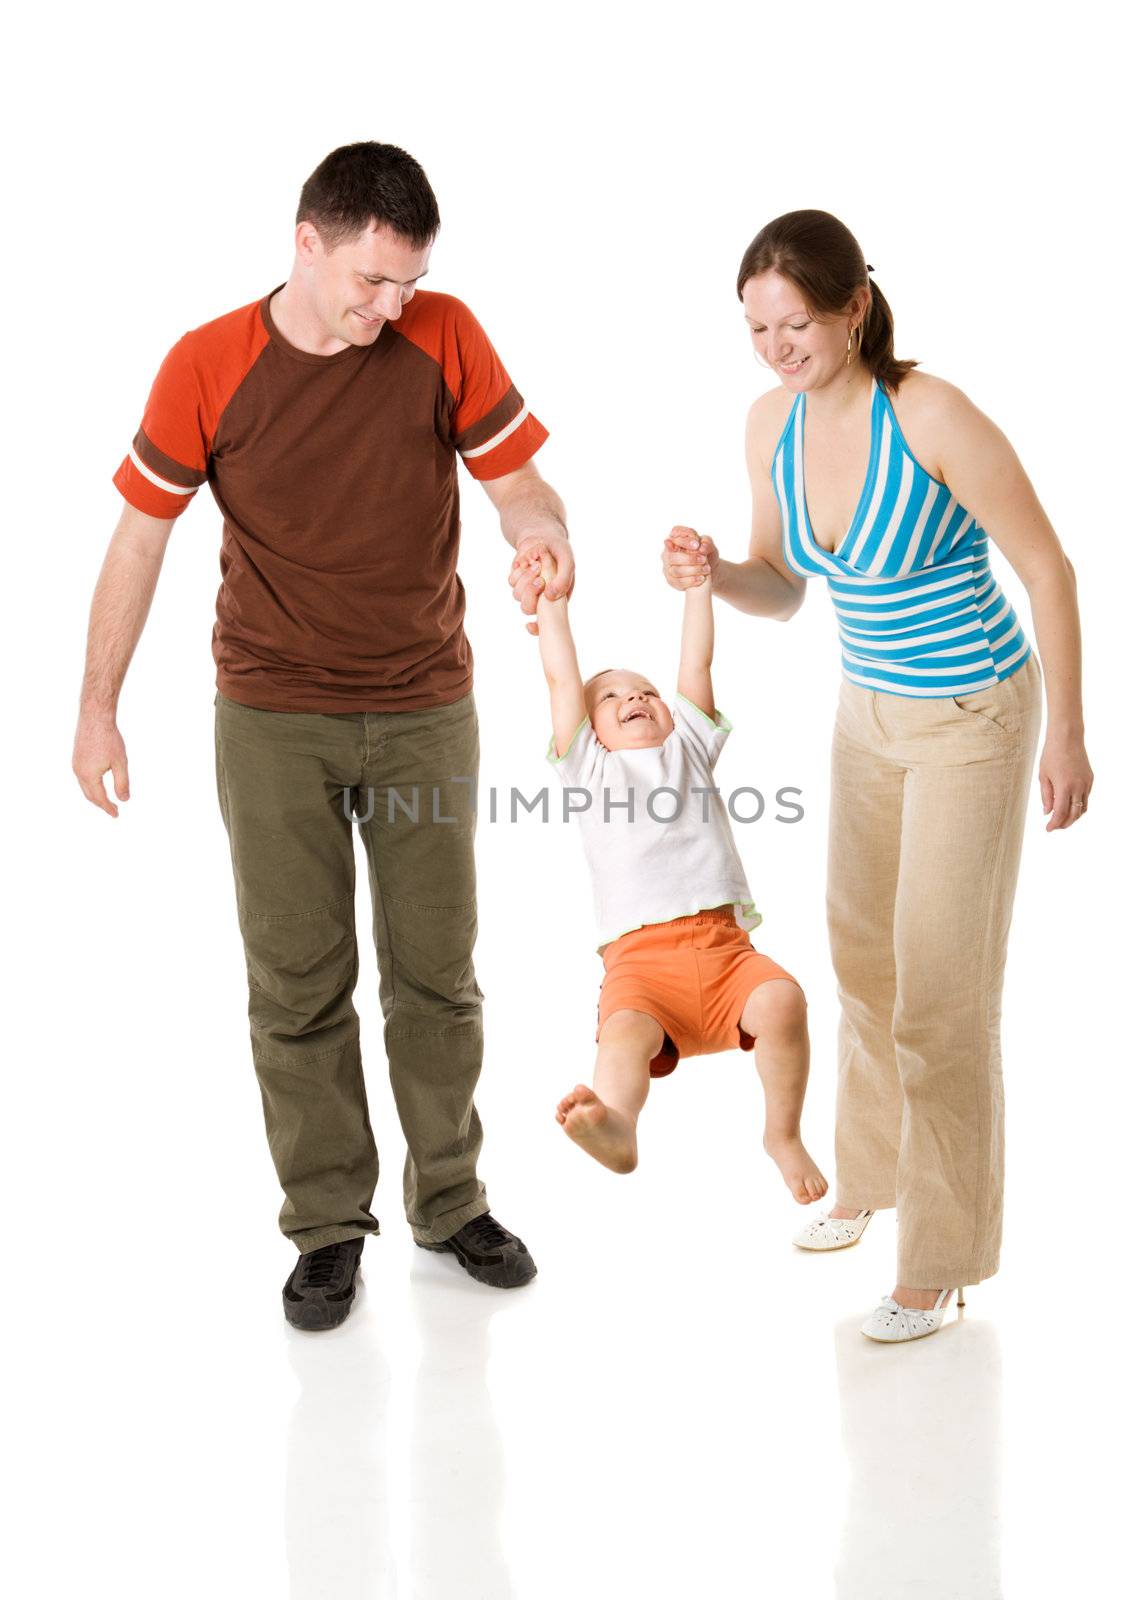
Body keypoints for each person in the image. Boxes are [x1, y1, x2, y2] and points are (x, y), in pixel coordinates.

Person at [72, 141, 576, 1332]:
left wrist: (543, 539)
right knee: (297, 985)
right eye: (371, 281)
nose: (390, 307)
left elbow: (523, 486)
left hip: (423, 709)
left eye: (407, 283)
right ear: (308, 242)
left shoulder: (444, 334)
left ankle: (449, 1201)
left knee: (438, 980)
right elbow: (139, 538)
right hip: (271, 714)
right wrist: (97, 701)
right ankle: (325, 1226)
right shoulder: (206, 364)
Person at [661, 209, 1092, 1342]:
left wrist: (1070, 733)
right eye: (756, 326)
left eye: (794, 322)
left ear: (854, 306)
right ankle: (870, 1177)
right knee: (864, 963)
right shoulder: (772, 425)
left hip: (974, 719)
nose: (775, 346)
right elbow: (784, 586)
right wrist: (716, 569)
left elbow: (1048, 567)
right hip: (867, 716)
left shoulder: (931, 414)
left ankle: (941, 1261)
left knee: (943, 996)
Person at [527, 547, 826, 1199]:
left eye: (645, 690)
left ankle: (782, 1133)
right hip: (641, 967)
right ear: (591, 730)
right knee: (622, 1038)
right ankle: (618, 1124)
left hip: (727, 956)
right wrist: (552, 607)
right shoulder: (590, 768)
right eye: (610, 697)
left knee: (783, 1001)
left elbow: (696, 663)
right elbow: (560, 681)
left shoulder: (689, 745)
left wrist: (699, 588)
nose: (634, 694)